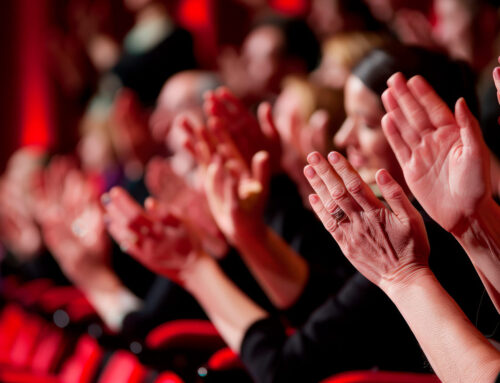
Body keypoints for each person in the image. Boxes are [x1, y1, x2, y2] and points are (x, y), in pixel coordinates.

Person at [103, 44, 493, 382]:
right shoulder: (419, 229)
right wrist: (247, 235)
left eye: (367, 122)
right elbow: (318, 306)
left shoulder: (420, 235)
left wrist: (197, 265)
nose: (342, 139)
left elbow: (286, 366)